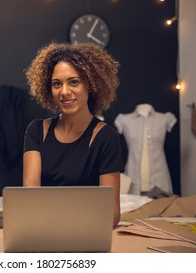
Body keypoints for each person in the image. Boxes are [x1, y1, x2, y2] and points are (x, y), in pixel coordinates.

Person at [23, 42, 124, 227]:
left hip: (88, 232)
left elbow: (112, 213)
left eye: (73, 82)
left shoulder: (106, 137)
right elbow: (30, 195)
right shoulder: (36, 131)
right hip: (44, 229)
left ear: (91, 84)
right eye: (56, 84)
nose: (64, 92)